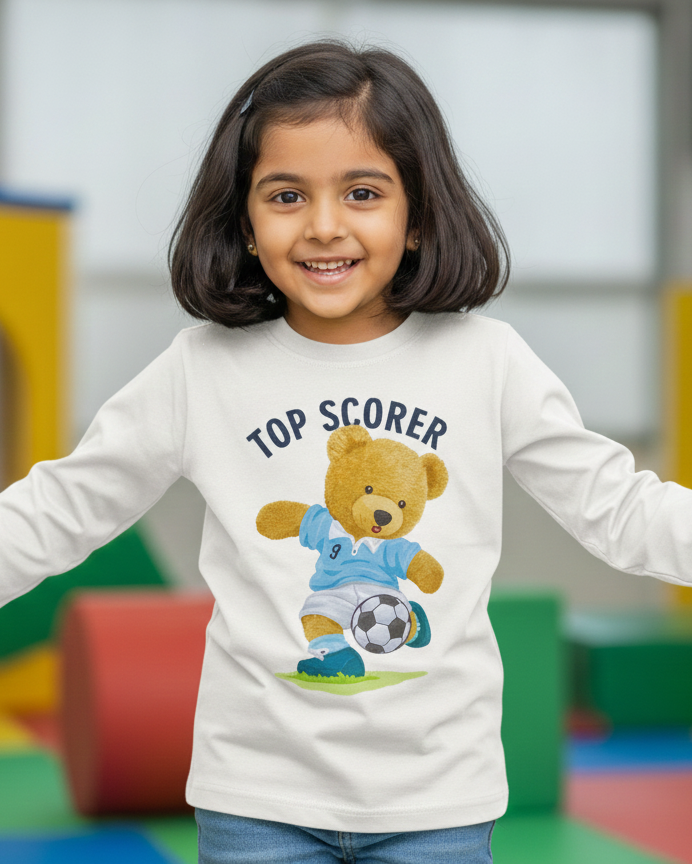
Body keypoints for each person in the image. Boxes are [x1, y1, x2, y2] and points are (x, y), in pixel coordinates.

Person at [1, 39, 691, 864]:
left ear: (418, 213)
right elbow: (60, 509)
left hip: (437, 796)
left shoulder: (487, 361)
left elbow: (618, 509)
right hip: (257, 797)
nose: (324, 226)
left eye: (363, 192)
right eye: (286, 195)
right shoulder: (201, 371)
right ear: (245, 224)